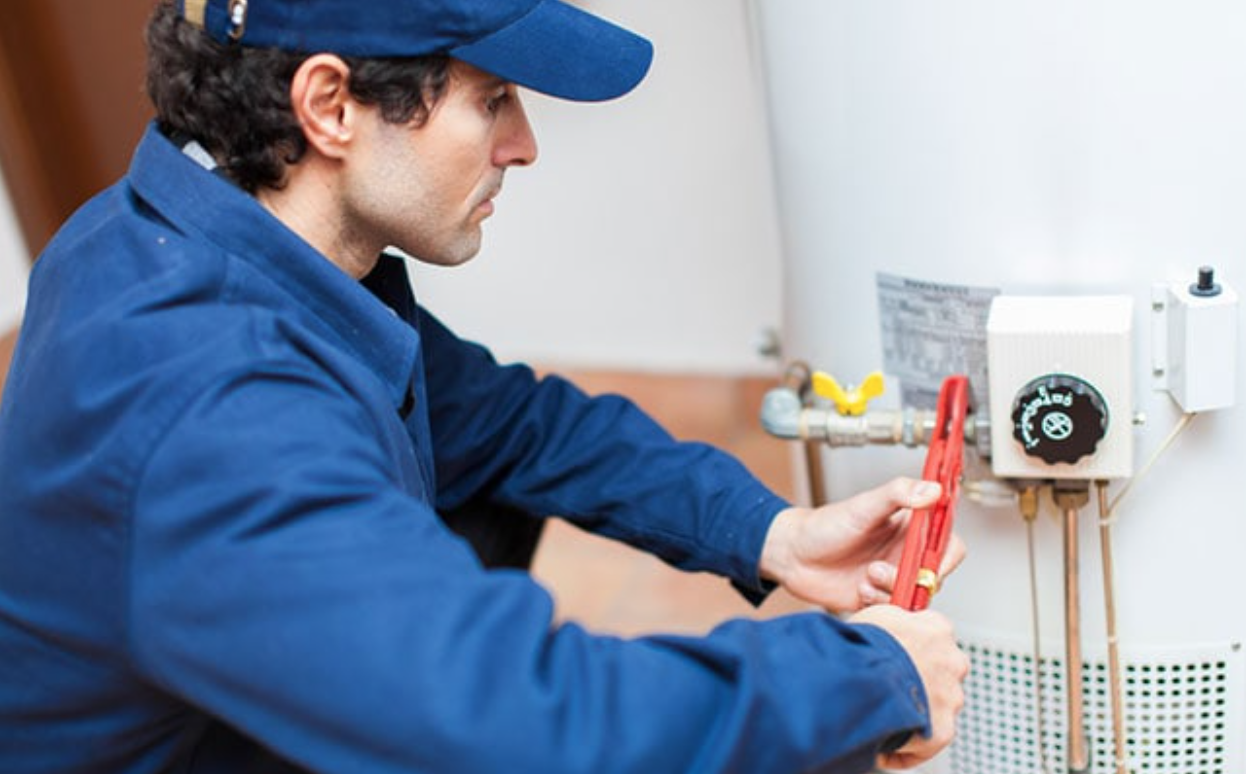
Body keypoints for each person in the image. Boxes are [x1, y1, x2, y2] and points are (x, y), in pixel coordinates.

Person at [0, 1, 969, 772]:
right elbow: (526, 727)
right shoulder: (215, 412)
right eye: (492, 96)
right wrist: (863, 680)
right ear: (330, 106)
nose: (523, 143)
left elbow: (513, 425)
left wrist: (770, 534)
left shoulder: (186, 230)